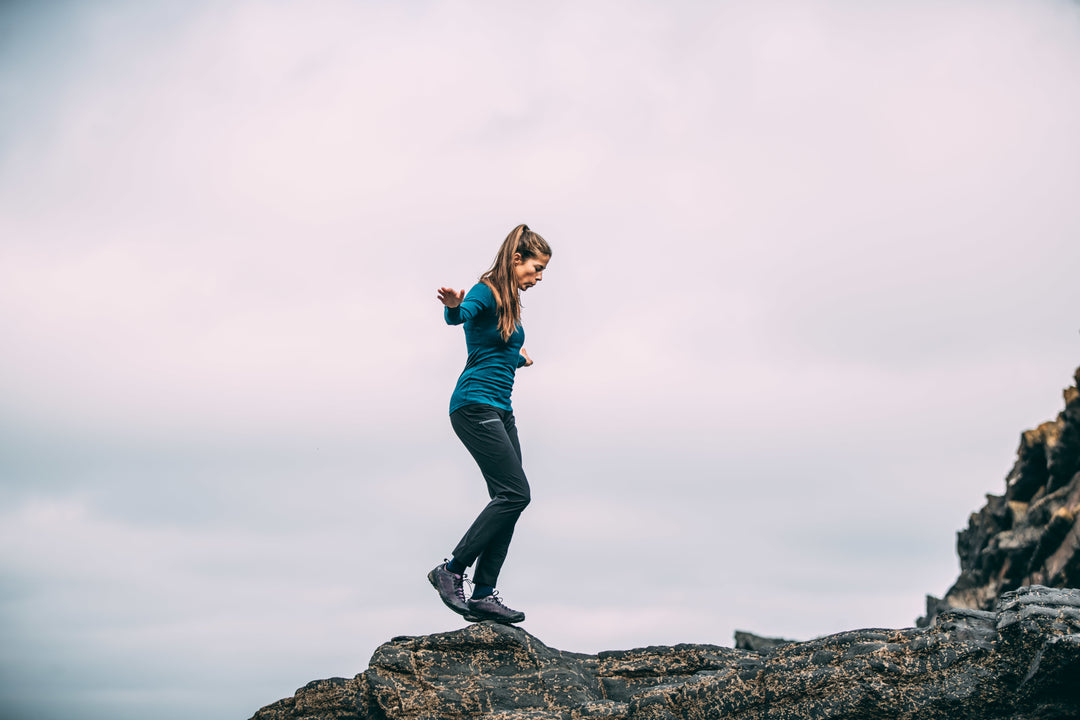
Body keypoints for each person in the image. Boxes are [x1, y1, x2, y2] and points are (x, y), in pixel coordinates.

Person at [428, 223, 551, 624]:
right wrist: (452, 305)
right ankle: (451, 570)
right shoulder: (486, 291)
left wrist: (519, 357)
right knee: (516, 494)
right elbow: (460, 318)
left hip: (501, 409)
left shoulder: (511, 303)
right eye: (536, 268)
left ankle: (483, 594)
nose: (538, 277)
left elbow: (490, 347)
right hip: (473, 406)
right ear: (516, 259)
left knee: (509, 501)